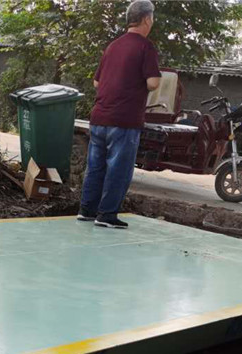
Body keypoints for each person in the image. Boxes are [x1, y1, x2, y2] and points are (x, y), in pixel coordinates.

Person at [78, 0, 161, 228]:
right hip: (124, 120)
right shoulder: (146, 47)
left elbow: (96, 82)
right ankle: (106, 215)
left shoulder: (112, 46)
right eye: (152, 18)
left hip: (99, 117)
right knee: (119, 169)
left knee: (95, 167)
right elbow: (153, 83)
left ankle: (87, 210)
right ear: (147, 19)